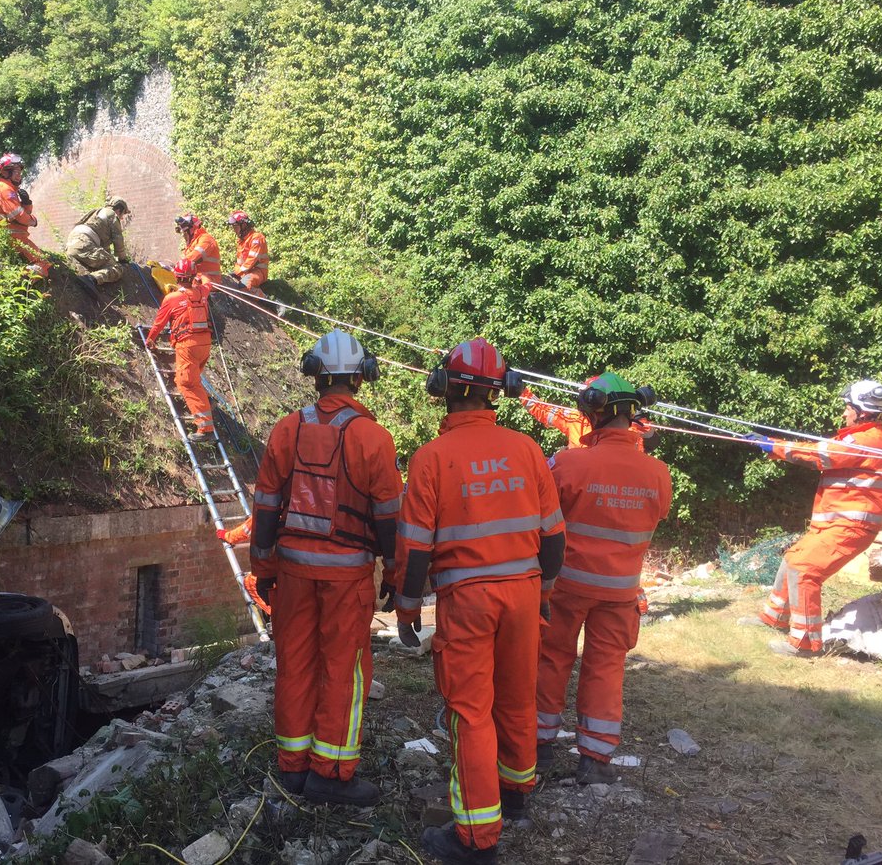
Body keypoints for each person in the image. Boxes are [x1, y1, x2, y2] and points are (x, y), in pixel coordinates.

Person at [391, 338, 566, 865]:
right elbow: (554, 538)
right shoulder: (528, 450)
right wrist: (543, 591)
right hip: (523, 592)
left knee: (471, 712)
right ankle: (516, 793)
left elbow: (416, 548)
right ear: (500, 394)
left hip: (467, 600)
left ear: (445, 389)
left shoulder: (431, 458)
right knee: (516, 697)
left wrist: (406, 608)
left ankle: (476, 837)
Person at [250, 329, 402, 807]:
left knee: (294, 663)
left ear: (315, 375)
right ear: (362, 378)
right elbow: (390, 522)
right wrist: (397, 578)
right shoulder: (373, 439)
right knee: (344, 669)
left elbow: (265, 509)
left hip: (292, 573)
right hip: (347, 577)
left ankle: (292, 767)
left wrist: (264, 568)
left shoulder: (286, 429)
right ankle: (331, 773)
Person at [534, 373, 671, 786]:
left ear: (591, 415)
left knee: (550, 658)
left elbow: (540, 516)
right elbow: (655, 518)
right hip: (620, 590)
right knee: (606, 667)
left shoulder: (568, 462)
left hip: (565, 586)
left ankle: (537, 746)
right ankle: (595, 759)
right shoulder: (658, 472)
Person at [745, 380, 882, 657]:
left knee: (805, 569)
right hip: (833, 525)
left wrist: (773, 446)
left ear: (862, 411)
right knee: (792, 558)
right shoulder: (860, 438)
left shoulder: (865, 440)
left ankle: (805, 645)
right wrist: (774, 444)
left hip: (850, 527)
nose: (844, 413)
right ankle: (773, 618)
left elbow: (819, 455)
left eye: (848, 408)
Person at [144, 259, 215, 441]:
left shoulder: (172, 298)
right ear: (192, 276)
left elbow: (159, 322)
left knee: (186, 384)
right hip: (205, 345)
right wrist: (199, 280)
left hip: (188, 346)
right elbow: (209, 283)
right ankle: (207, 401)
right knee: (193, 379)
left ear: (176, 276)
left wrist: (150, 339)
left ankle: (205, 428)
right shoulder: (202, 292)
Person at [520, 383, 652, 452]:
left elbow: (650, 433)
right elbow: (542, 409)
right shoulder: (574, 418)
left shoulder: (632, 425)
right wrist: (521, 391)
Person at [0, 153, 47, 275]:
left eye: (20, 172)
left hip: (10, 236)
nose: (20, 176)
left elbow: (18, 214)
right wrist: (33, 221)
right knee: (42, 262)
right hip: (11, 237)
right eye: (17, 172)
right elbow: (19, 217)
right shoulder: (5, 189)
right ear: (6, 173)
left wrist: (27, 203)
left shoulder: (6, 188)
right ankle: (20, 279)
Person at [66, 197, 131, 294]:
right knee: (117, 268)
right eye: (122, 214)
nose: (121, 218)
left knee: (108, 262)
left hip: (72, 244)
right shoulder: (111, 214)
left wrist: (112, 258)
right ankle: (90, 279)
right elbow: (118, 241)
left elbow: (105, 252)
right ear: (118, 210)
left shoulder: (97, 214)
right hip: (84, 245)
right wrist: (122, 259)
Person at [228, 210, 269, 297]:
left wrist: (238, 272)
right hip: (245, 272)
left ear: (244, 225)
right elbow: (240, 262)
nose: (234, 230)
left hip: (258, 272)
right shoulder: (242, 241)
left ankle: (268, 301)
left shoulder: (256, 238)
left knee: (245, 286)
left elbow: (251, 261)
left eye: (235, 227)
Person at [175, 213, 222, 283]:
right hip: (197, 281)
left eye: (184, 231)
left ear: (192, 228)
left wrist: (177, 267)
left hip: (209, 281)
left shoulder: (206, 239)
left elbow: (193, 257)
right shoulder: (192, 243)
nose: (183, 234)